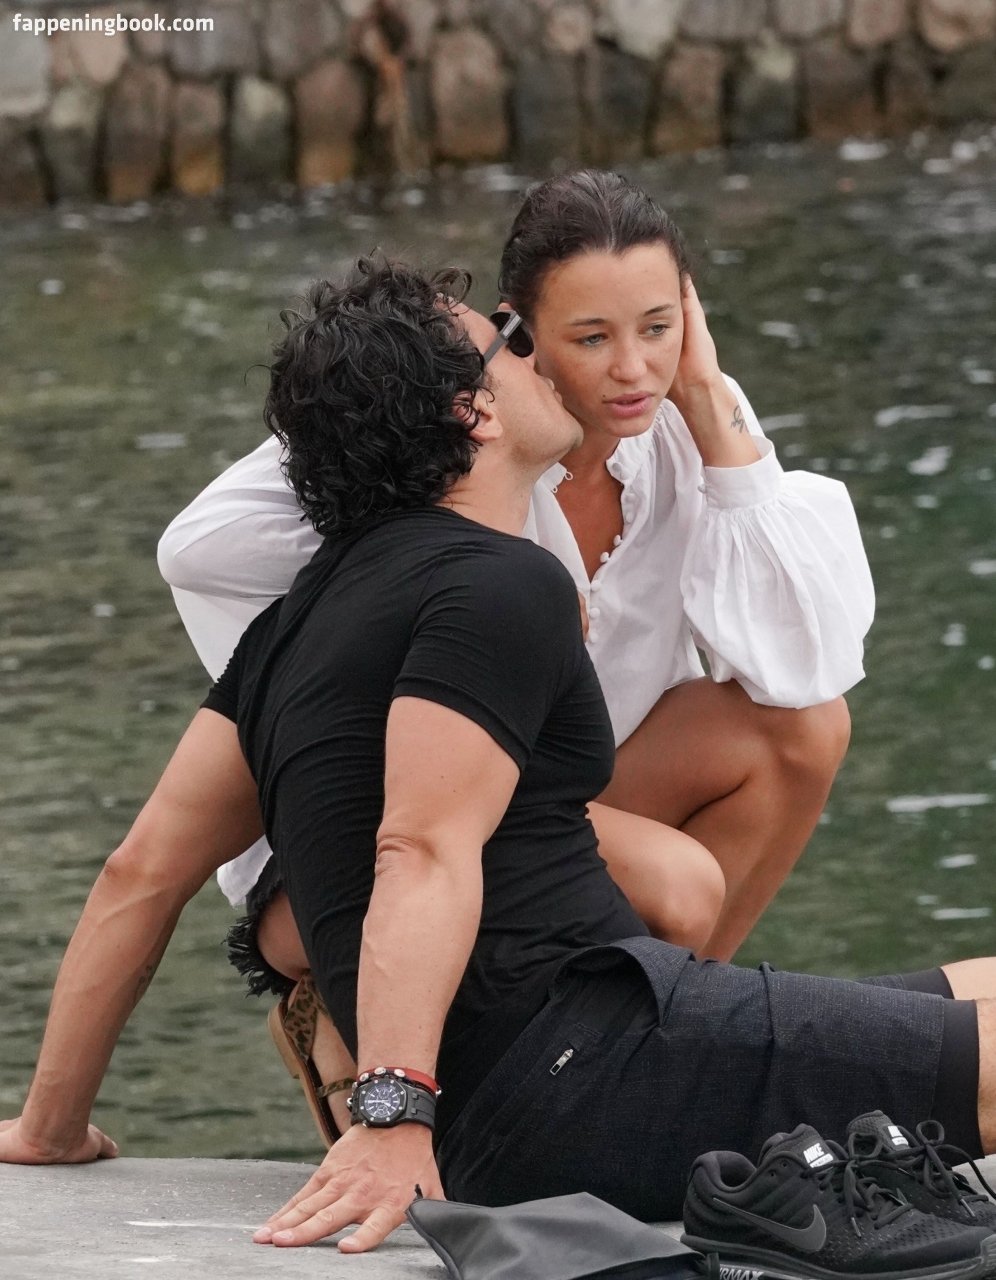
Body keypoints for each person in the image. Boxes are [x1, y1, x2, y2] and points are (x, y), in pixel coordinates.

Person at [3, 259, 993, 1269]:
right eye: (512, 345)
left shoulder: (293, 624)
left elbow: (141, 873)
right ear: (471, 412)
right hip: (576, 1074)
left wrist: (51, 1126)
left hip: (600, 1029)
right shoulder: (502, 584)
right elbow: (421, 848)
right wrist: (393, 1116)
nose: (540, 360)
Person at [158, 170, 871, 969]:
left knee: (808, 729)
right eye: (592, 338)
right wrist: (432, 548)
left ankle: (684, 1017)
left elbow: (805, 664)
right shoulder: (443, 421)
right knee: (676, 886)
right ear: (518, 333)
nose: (635, 369)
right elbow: (196, 547)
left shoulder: (692, 416)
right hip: (404, 819)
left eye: (658, 327)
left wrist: (705, 392)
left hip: (561, 798)